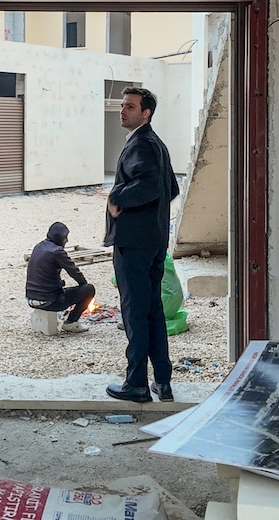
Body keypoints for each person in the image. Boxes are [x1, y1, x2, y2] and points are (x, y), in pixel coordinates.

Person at [104, 87, 179, 403]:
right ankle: (162, 382)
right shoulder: (156, 143)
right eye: (122, 106)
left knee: (135, 313)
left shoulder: (141, 144)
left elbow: (148, 186)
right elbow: (171, 188)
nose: (123, 111)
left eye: (130, 107)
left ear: (145, 113)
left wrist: (117, 199)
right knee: (152, 312)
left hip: (134, 244)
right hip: (153, 241)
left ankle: (136, 383)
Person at [25, 222, 96, 333]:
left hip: (30, 298)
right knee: (89, 289)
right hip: (49, 301)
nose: (67, 240)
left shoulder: (38, 246)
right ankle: (71, 323)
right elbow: (74, 271)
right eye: (65, 237)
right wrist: (84, 286)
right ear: (59, 238)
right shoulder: (57, 252)